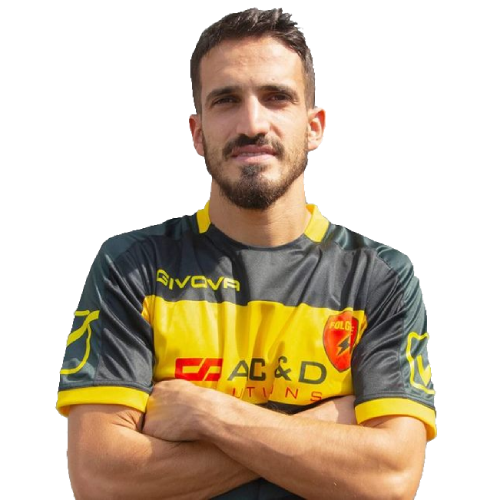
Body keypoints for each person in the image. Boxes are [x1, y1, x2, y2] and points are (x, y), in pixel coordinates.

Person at [56, 7, 437, 499]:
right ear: (197, 133)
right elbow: (101, 477)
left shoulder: (380, 276)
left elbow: (392, 479)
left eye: (277, 97)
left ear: (315, 126)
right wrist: (326, 424)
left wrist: (209, 414)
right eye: (226, 100)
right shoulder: (131, 266)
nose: (252, 123)